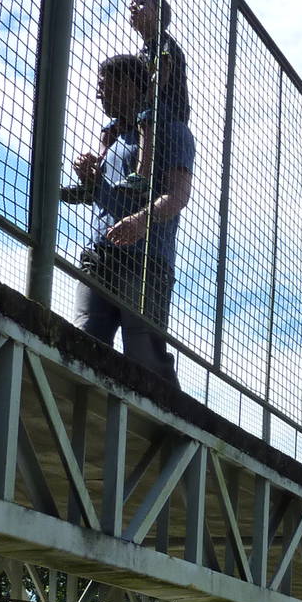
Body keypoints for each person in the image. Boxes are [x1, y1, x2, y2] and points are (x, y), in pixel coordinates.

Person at [71, 53, 194, 381]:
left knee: (144, 360)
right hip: (99, 254)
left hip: (144, 261)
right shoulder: (111, 138)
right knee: (82, 342)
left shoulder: (171, 130)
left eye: (105, 86)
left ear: (128, 86)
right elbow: (106, 198)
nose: (99, 94)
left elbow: (178, 196)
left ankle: (165, 426)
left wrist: (141, 221)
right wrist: (90, 180)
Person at [118, 0, 190, 193]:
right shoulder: (143, 51)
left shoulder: (164, 42)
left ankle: (143, 174)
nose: (133, 7)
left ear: (158, 14)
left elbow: (163, 72)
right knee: (113, 126)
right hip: (146, 106)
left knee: (147, 114)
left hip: (170, 109)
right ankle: (92, 179)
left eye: (141, 3)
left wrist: (146, 99)